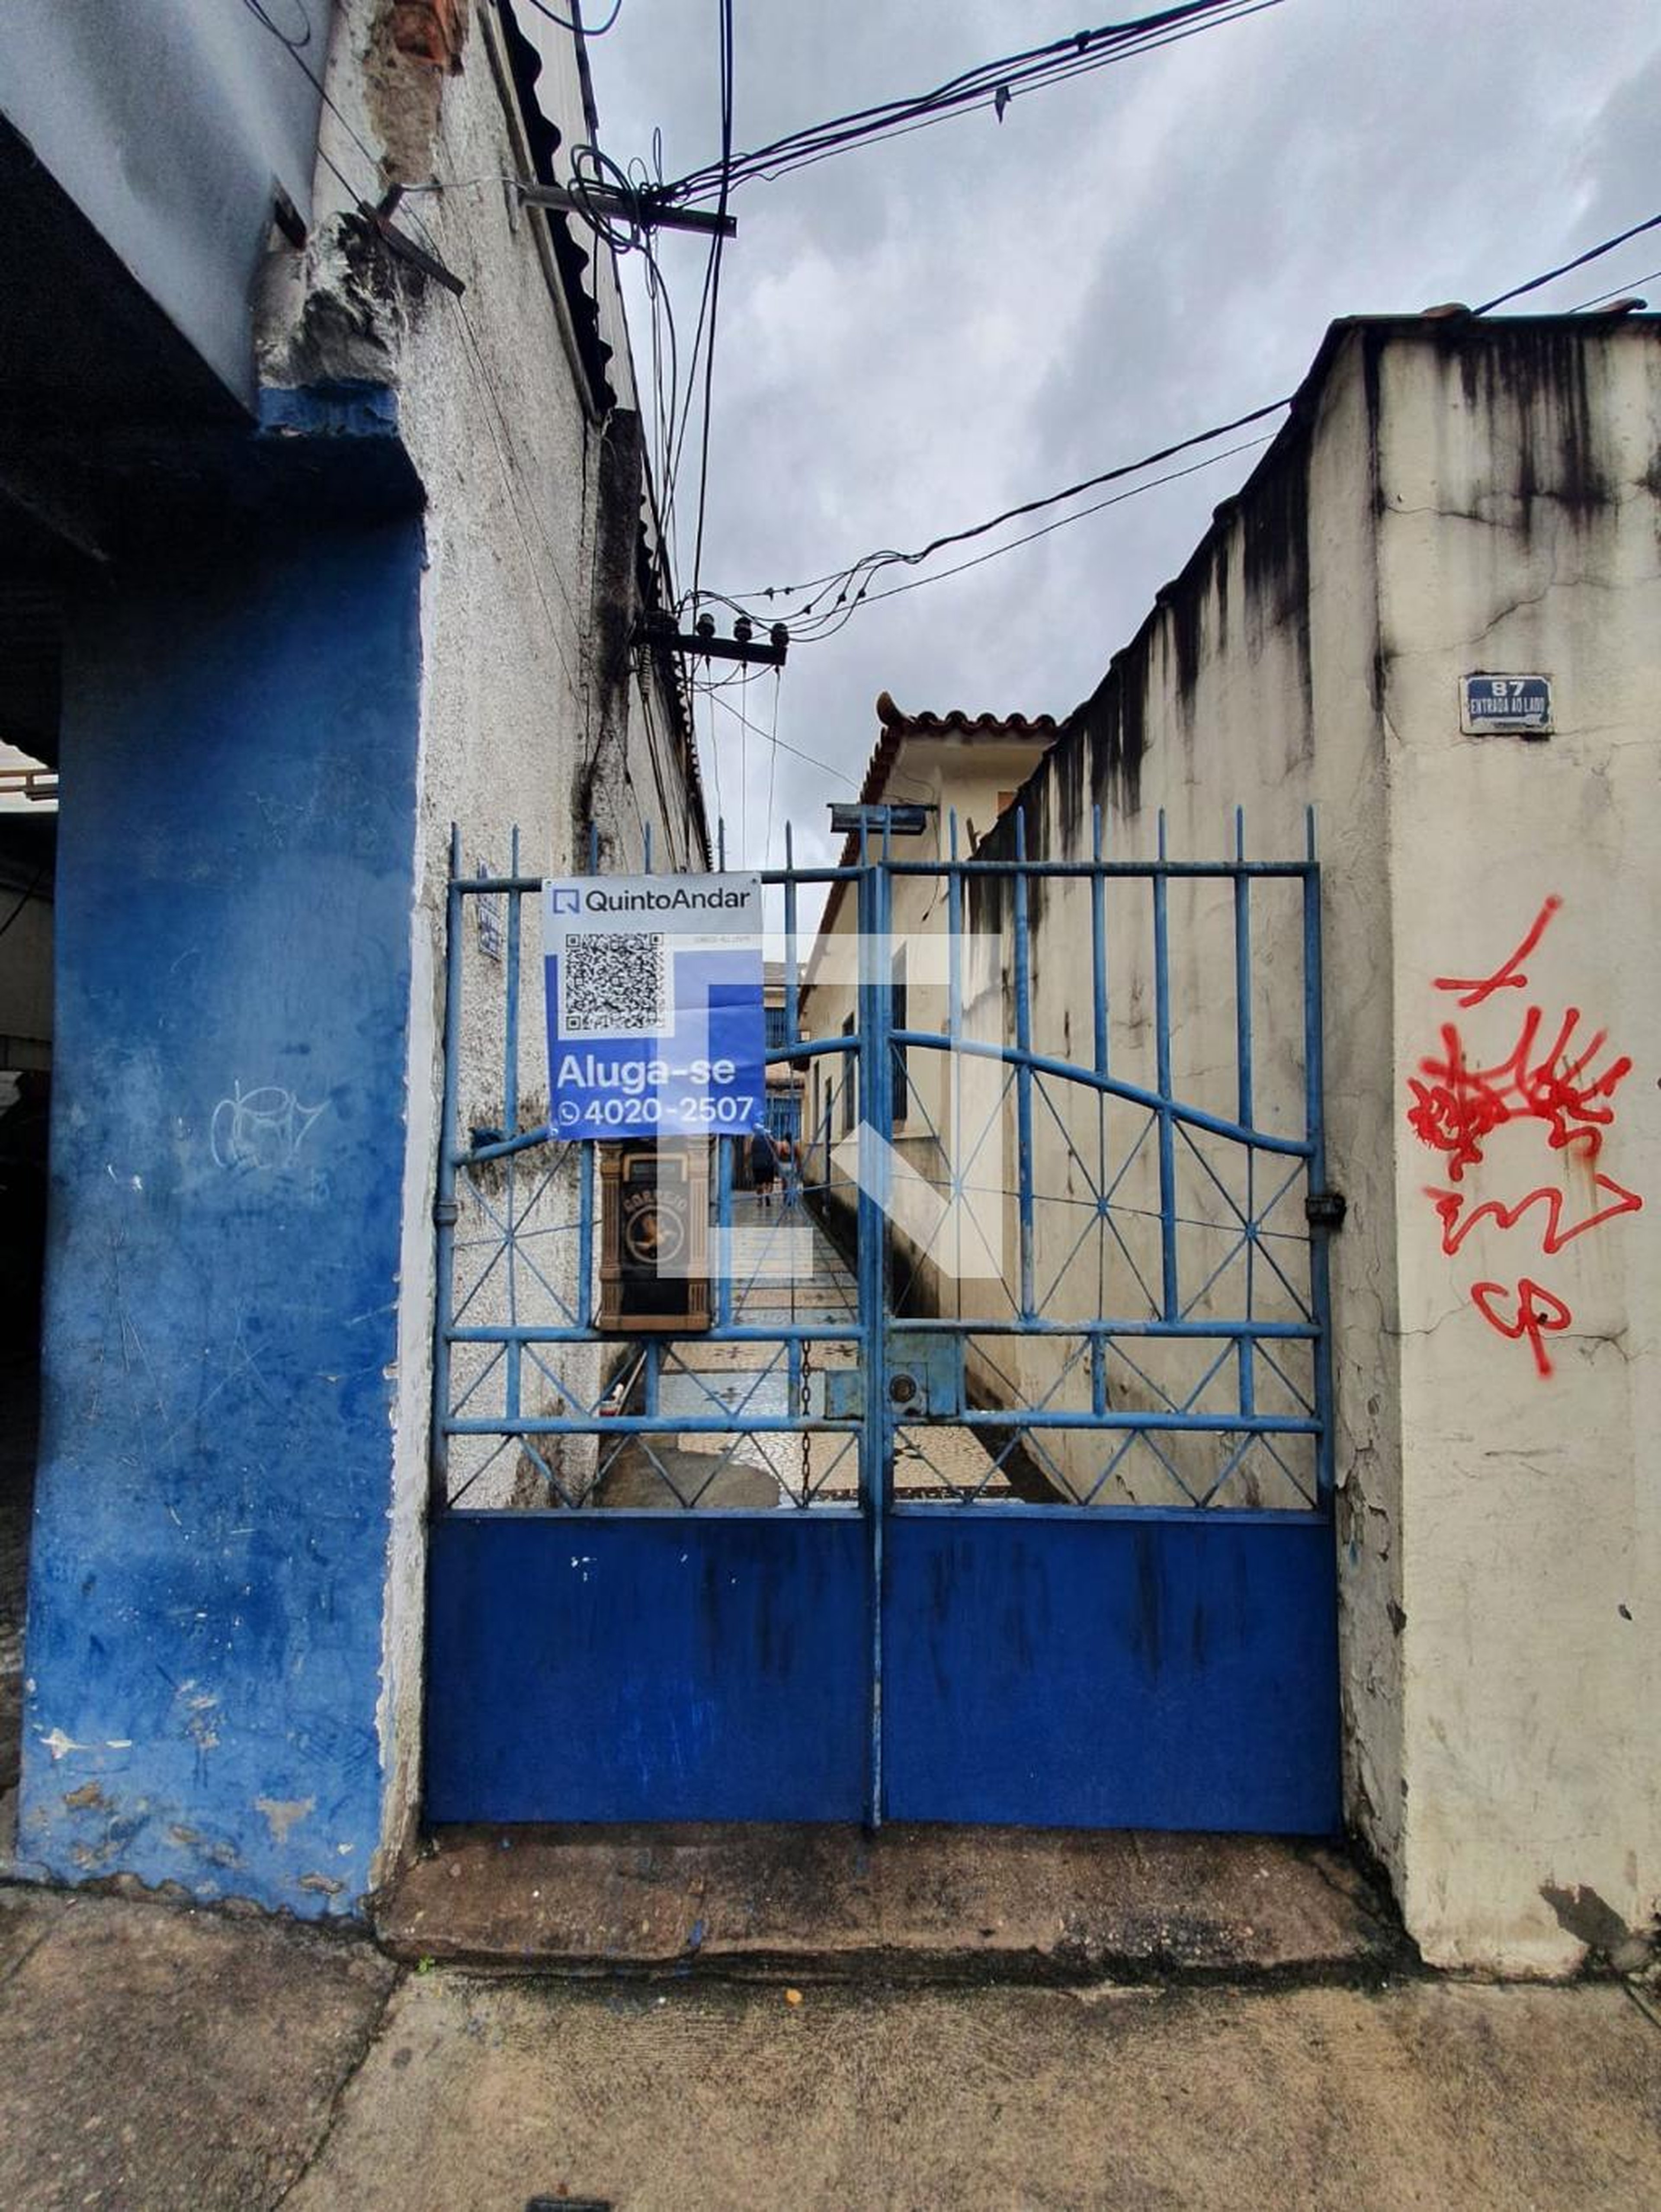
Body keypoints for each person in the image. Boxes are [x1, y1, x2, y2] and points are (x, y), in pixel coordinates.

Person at [748, 1122, 778, 1209]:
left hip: (757, 1164)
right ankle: (768, 1195)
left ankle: (760, 1200)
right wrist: (775, 1155)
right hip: (769, 1163)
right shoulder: (769, 1138)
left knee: (759, 1183)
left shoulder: (754, 1139)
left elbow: (748, 1152)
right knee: (769, 1182)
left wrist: (748, 1161)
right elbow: (776, 1145)